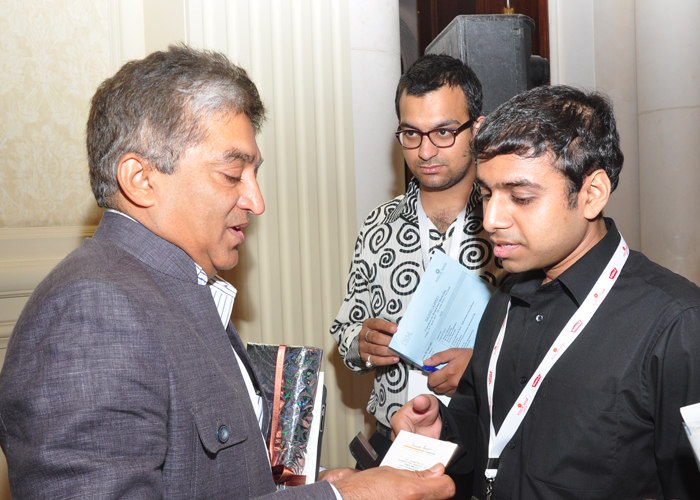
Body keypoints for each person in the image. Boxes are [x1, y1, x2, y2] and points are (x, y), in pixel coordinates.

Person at [0, 45, 456, 500]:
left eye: (253, 174)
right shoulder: (92, 312)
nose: (256, 202)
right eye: (232, 174)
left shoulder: (174, 289)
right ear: (140, 179)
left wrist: (323, 486)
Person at [391, 84, 700, 499]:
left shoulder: (677, 324)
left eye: (520, 197)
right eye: (485, 194)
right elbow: (483, 425)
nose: (491, 219)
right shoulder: (504, 299)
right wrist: (443, 434)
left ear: (591, 194)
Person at [331, 54, 508, 458]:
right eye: (411, 133)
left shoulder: (508, 225)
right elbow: (346, 331)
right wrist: (362, 343)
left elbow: (545, 339)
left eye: (443, 132)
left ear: (478, 129)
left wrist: (483, 366)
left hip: (484, 444)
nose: (425, 151)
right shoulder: (377, 226)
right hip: (394, 442)